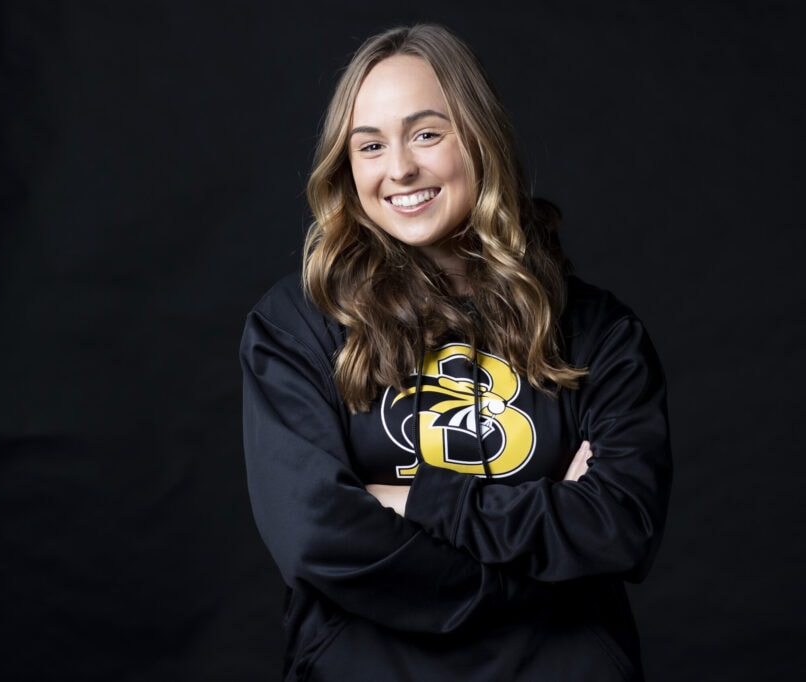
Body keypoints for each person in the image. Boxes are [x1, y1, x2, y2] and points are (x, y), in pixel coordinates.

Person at [240, 23, 672, 681]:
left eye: (427, 133)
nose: (400, 168)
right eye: (371, 145)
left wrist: (410, 503)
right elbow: (317, 539)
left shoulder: (597, 333)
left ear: (479, 137)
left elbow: (621, 527)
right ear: (346, 167)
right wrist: (544, 565)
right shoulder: (297, 325)